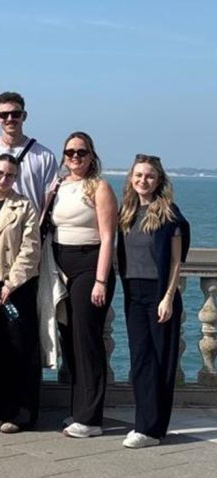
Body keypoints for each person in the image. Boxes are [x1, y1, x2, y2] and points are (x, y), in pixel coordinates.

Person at [116, 155, 191, 449]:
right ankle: (146, 426)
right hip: (133, 295)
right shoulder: (127, 212)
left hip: (159, 295)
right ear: (131, 179)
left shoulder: (168, 214)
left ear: (159, 180)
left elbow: (175, 262)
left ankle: (152, 428)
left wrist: (168, 297)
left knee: (162, 360)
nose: (142, 181)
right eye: (138, 175)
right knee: (141, 360)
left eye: (149, 176)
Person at [47, 132, 118, 439]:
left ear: (92, 155)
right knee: (70, 341)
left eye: (81, 151)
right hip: (62, 266)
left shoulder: (99, 187)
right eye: (70, 151)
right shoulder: (60, 185)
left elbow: (107, 238)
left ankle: (91, 419)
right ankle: (80, 410)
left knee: (87, 341)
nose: (75, 156)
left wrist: (101, 280)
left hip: (90, 265)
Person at [0, 154, 42, 433]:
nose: (3, 179)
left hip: (16, 288)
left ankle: (20, 411)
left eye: (9, 175)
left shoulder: (25, 207)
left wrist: (11, 283)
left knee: (19, 349)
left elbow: (31, 249)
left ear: (16, 177)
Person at [0, 92, 58, 212]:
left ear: (24, 116)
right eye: (4, 115)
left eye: (15, 114)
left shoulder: (45, 156)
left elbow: (48, 200)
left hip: (30, 226)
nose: (10, 119)